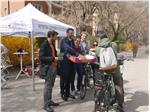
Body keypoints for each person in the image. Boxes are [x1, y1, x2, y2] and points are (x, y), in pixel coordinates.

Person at [96, 30, 124, 112]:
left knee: (100, 84)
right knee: (118, 84)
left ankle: (99, 102)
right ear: (106, 36)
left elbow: (98, 57)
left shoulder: (98, 47)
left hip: (104, 69)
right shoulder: (113, 44)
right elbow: (116, 54)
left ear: (99, 38)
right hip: (114, 68)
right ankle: (120, 105)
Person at [39, 30, 59, 112]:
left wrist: (58, 57)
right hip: (48, 68)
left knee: (51, 85)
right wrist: (53, 58)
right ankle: (46, 105)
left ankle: (49, 101)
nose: (56, 38)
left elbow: (54, 54)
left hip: (54, 67)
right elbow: (41, 57)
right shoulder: (44, 44)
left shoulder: (52, 44)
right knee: (47, 86)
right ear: (51, 36)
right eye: (55, 36)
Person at [59, 28, 82, 101]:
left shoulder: (72, 41)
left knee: (70, 78)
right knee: (63, 79)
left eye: (72, 33)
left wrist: (77, 48)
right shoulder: (63, 41)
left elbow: (73, 49)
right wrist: (76, 54)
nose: (72, 34)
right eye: (71, 33)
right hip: (64, 63)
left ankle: (68, 93)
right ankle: (63, 93)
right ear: (67, 33)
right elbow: (68, 49)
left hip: (71, 62)